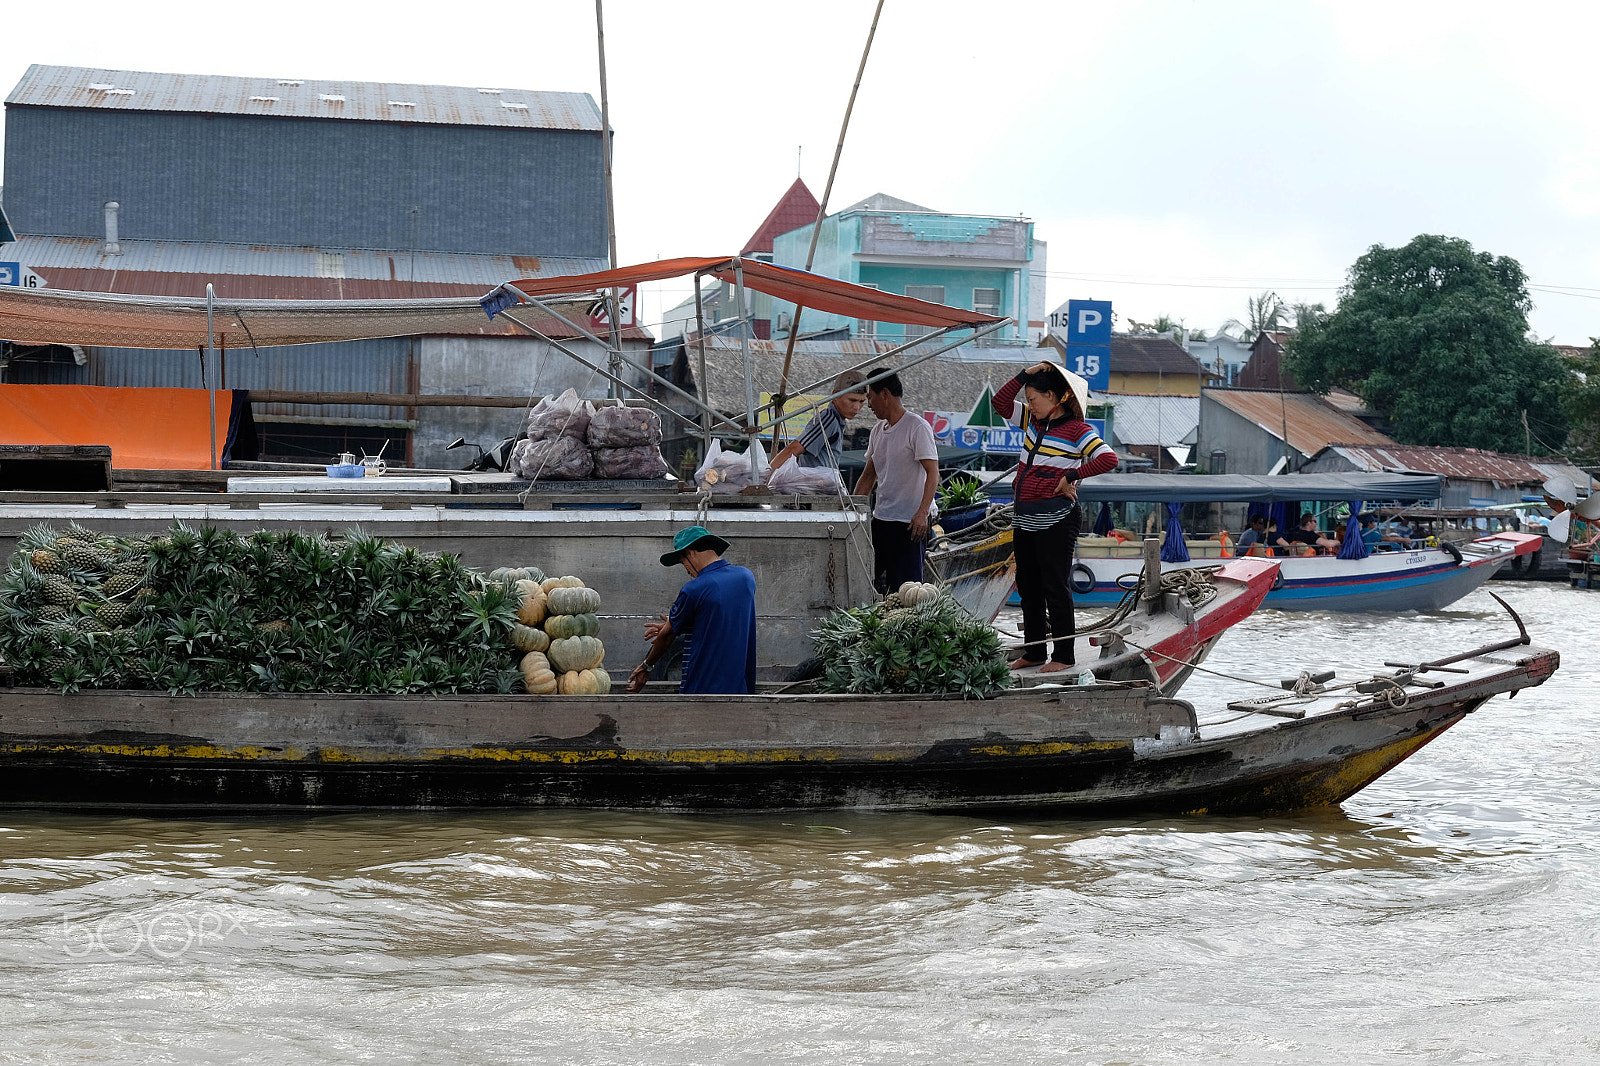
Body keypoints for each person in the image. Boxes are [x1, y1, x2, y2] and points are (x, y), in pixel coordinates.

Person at [992, 360, 1117, 673]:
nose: (1029, 406)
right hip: (1025, 517)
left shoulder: (1078, 430)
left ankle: (1063, 656)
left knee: (1055, 586)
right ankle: (1034, 652)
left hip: (1057, 519)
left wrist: (1072, 474)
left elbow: (1108, 458)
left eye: (1034, 399)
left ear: (1055, 397)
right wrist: (1025, 374)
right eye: (1029, 400)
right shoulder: (1032, 423)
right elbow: (1000, 402)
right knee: (1028, 585)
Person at [627, 526, 756, 695]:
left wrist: (646, 666)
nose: (687, 571)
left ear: (691, 552)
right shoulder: (746, 578)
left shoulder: (694, 589)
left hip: (701, 691)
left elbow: (666, 637)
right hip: (740, 690)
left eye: (683, 562)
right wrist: (683, 625)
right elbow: (722, 618)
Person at [852, 368, 940, 594]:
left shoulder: (917, 427)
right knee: (872, 584)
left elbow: (933, 472)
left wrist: (922, 513)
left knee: (907, 591)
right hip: (882, 520)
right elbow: (868, 477)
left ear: (885, 394)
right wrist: (851, 511)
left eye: (870, 397)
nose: (868, 404)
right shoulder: (877, 431)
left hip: (910, 523)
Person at [768, 371, 867, 473]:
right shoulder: (828, 419)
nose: (857, 407)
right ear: (836, 395)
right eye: (852, 400)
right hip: (813, 486)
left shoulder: (838, 421)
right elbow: (793, 449)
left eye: (861, 401)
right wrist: (764, 478)